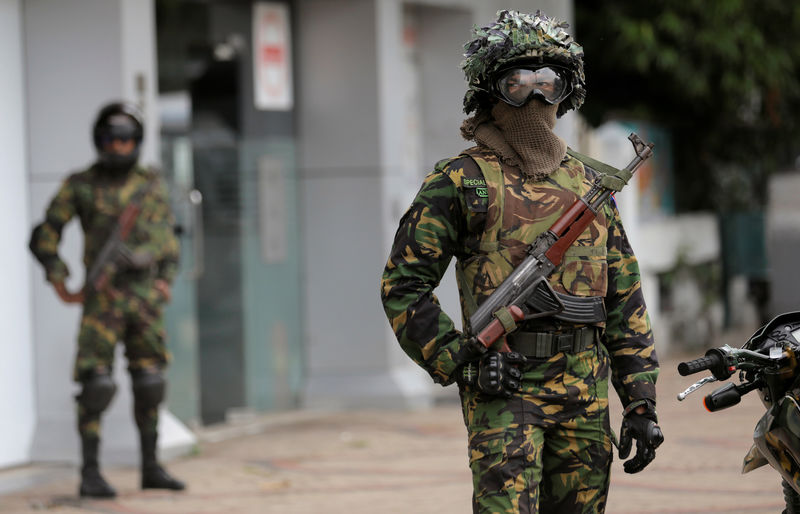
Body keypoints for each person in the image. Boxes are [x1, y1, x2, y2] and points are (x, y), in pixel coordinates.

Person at [380, 10, 662, 513]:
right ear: (491, 92)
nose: (535, 98)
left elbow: (624, 296)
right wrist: (461, 364)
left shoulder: (590, 186)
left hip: (585, 392)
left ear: (565, 91)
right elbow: (403, 286)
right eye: (517, 83)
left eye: (548, 84)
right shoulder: (461, 181)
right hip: (504, 387)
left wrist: (640, 397)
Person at [29, 101, 185, 498]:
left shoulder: (152, 184)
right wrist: (60, 279)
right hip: (103, 302)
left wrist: (166, 278)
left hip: (146, 301)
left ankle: (151, 466)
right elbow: (45, 235)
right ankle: (91, 473)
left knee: (151, 383)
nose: (117, 147)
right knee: (96, 385)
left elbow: (169, 240)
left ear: (137, 141)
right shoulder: (80, 184)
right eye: (109, 139)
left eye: (125, 139)